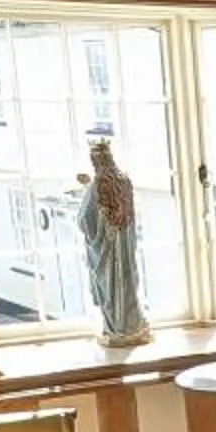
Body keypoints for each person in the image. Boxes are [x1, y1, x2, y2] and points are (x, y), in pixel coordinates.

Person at [73, 129, 149, 346]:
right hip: (124, 244)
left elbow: (85, 218)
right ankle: (131, 325)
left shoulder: (98, 184)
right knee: (126, 283)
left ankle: (117, 328)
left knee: (111, 288)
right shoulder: (124, 180)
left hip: (107, 249)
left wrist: (87, 188)